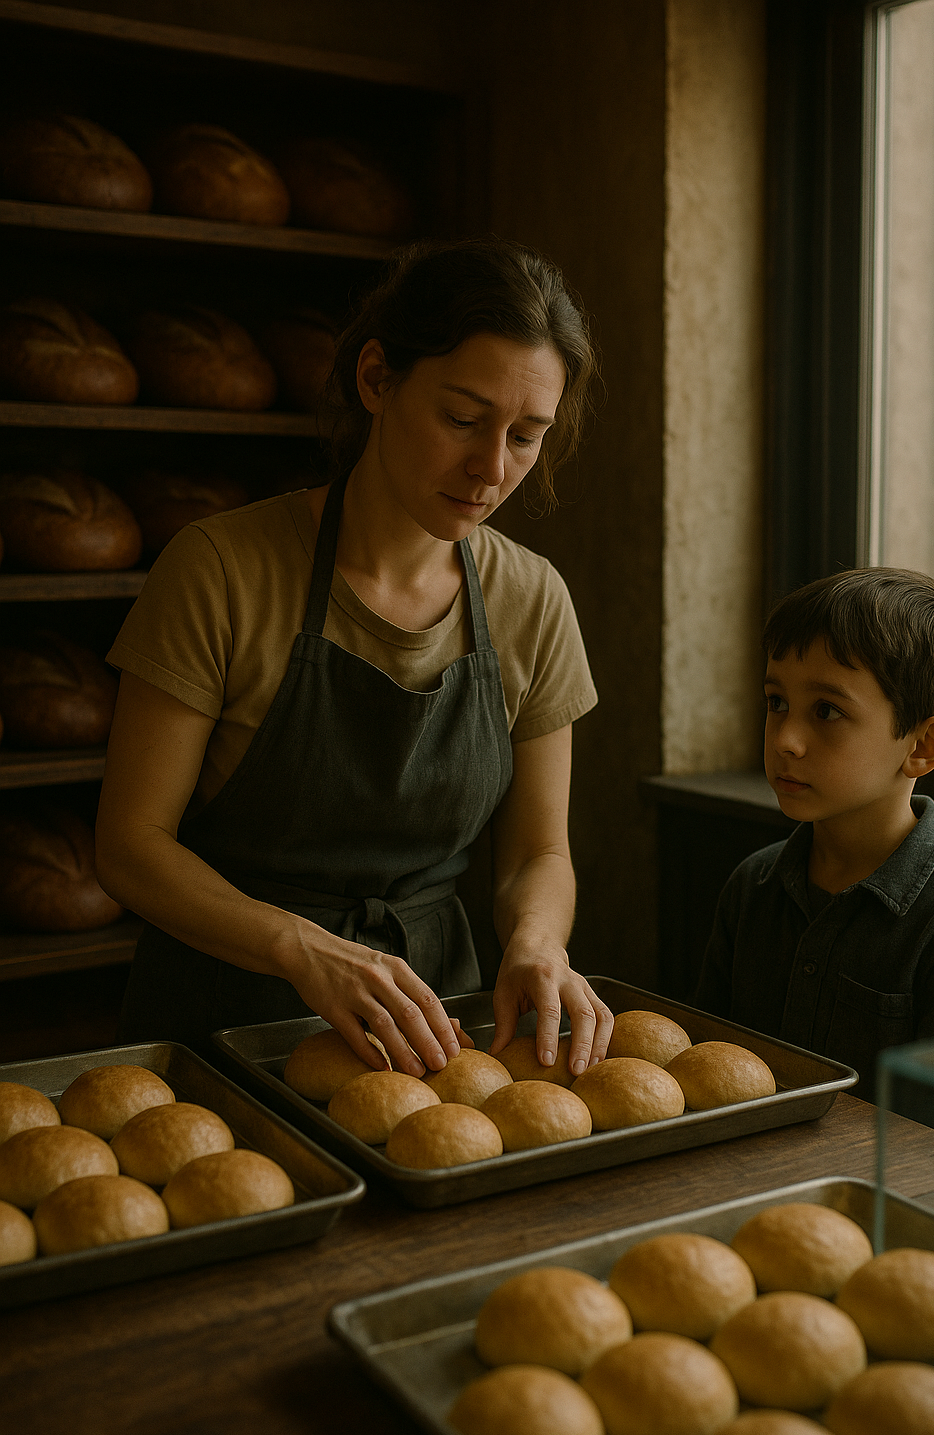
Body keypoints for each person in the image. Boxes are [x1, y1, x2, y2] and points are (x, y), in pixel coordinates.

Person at [95, 237, 615, 1079]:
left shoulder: (534, 599)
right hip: (223, 1027)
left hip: (437, 1029)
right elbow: (129, 846)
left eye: (526, 436)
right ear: (377, 378)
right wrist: (301, 947)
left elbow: (535, 858)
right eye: (461, 418)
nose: (491, 471)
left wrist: (536, 942)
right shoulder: (220, 568)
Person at [694, 568, 934, 1141]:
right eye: (776, 702)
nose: (785, 739)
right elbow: (703, 1076)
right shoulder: (754, 886)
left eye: (826, 711)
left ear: (922, 746)